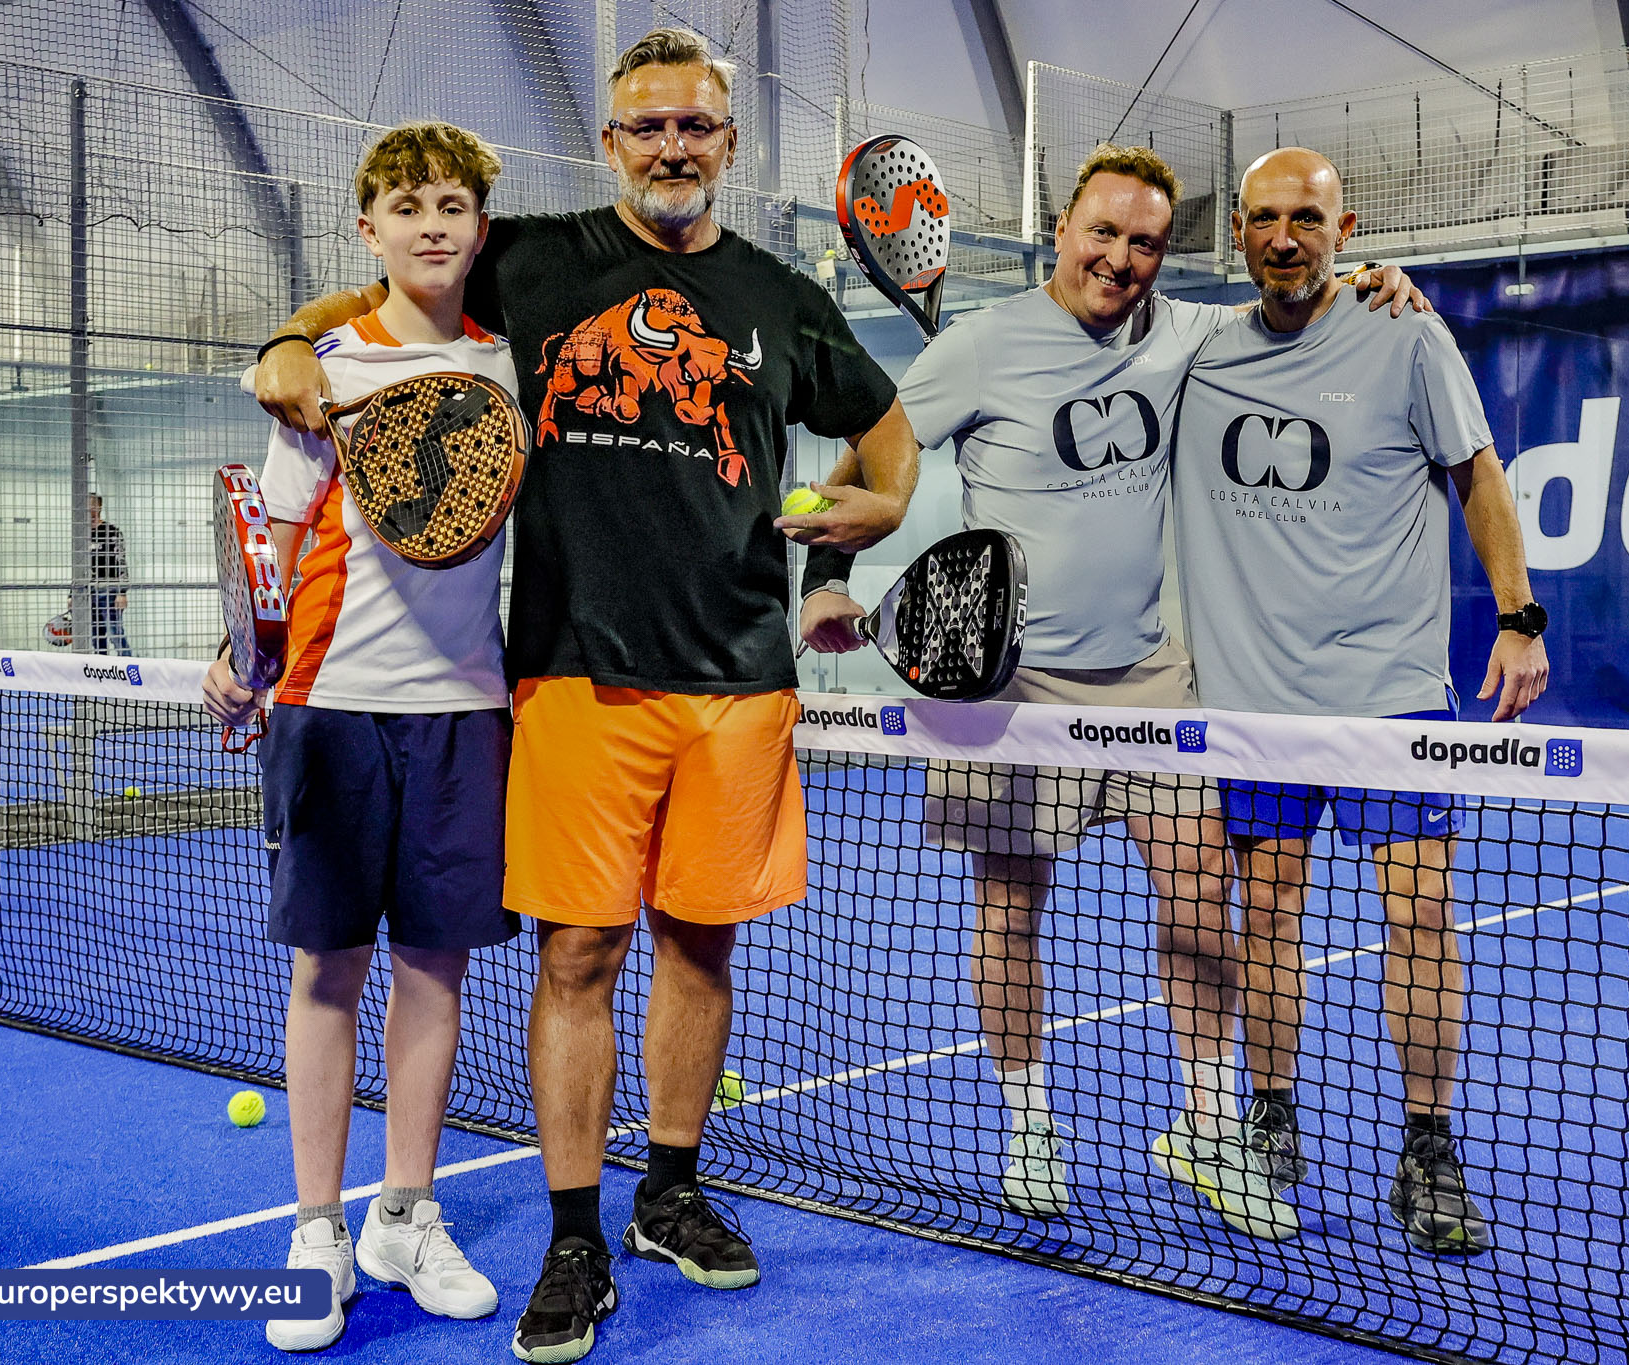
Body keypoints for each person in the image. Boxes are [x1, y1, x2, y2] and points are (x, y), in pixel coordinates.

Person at [252, 29, 919, 1363]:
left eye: (695, 125)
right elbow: (387, 281)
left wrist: (883, 509)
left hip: (739, 681)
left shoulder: (783, 296)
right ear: (612, 143)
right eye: (647, 126)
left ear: (729, 142)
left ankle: (668, 1191)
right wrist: (287, 337)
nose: (672, 146)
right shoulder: (533, 257)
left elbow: (883, 428)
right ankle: (572, 1237)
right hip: (568, 674)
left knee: (700, 947)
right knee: (576, 956)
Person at [793, 144, 1424, 1244]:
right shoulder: (978, 347)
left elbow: (1294, 303)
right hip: (1007, 687)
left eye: (1144, 244)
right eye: (1103, 233)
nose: (1121, 259)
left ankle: (1207, 1126)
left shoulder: (1189, 333)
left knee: (1200, 898)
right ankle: (1029, 1125)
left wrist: (1377, 283)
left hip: (1150, 674)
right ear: (1061, 231)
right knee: (1009, 908)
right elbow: (865, 462)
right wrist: (824, 580)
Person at [1172, 148, 1550, 1256]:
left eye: (1307, 218)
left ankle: (1427, 1146)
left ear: (1346, 229)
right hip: (1254, 705)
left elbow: (1477, 474)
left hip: (1391, 700)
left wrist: (1519, 617)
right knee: (1266, 916)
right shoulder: (1198, 349)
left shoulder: (1407, 336)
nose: (1284, 238)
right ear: (1237, 234)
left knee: (1420, 915)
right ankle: (1271, 1115)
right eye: (1263, 219)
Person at [204, 121, 514, 1352]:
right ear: (367, 228)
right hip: (327, 706)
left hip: (464, 712)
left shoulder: (510, 368)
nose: (431, 225)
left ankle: (403, 1216)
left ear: (480, 229)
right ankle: (317, 1230)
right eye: (407, 206)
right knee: (326, 971)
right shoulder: (320, 370)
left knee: (436, 969)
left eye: (452, 206)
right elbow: (274, 545)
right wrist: (240, 653)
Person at [87, 494, 133, 656]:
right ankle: (101, 668)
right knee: (96, 637)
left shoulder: (111, 531)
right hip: (87, 592)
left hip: (109, 591)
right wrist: (72, 594)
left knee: (116, 635)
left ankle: (131, 666)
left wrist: (122, 592)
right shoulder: (81, 534)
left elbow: (121, 561)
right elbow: (77, 566)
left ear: (98, 507)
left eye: (91, 505)